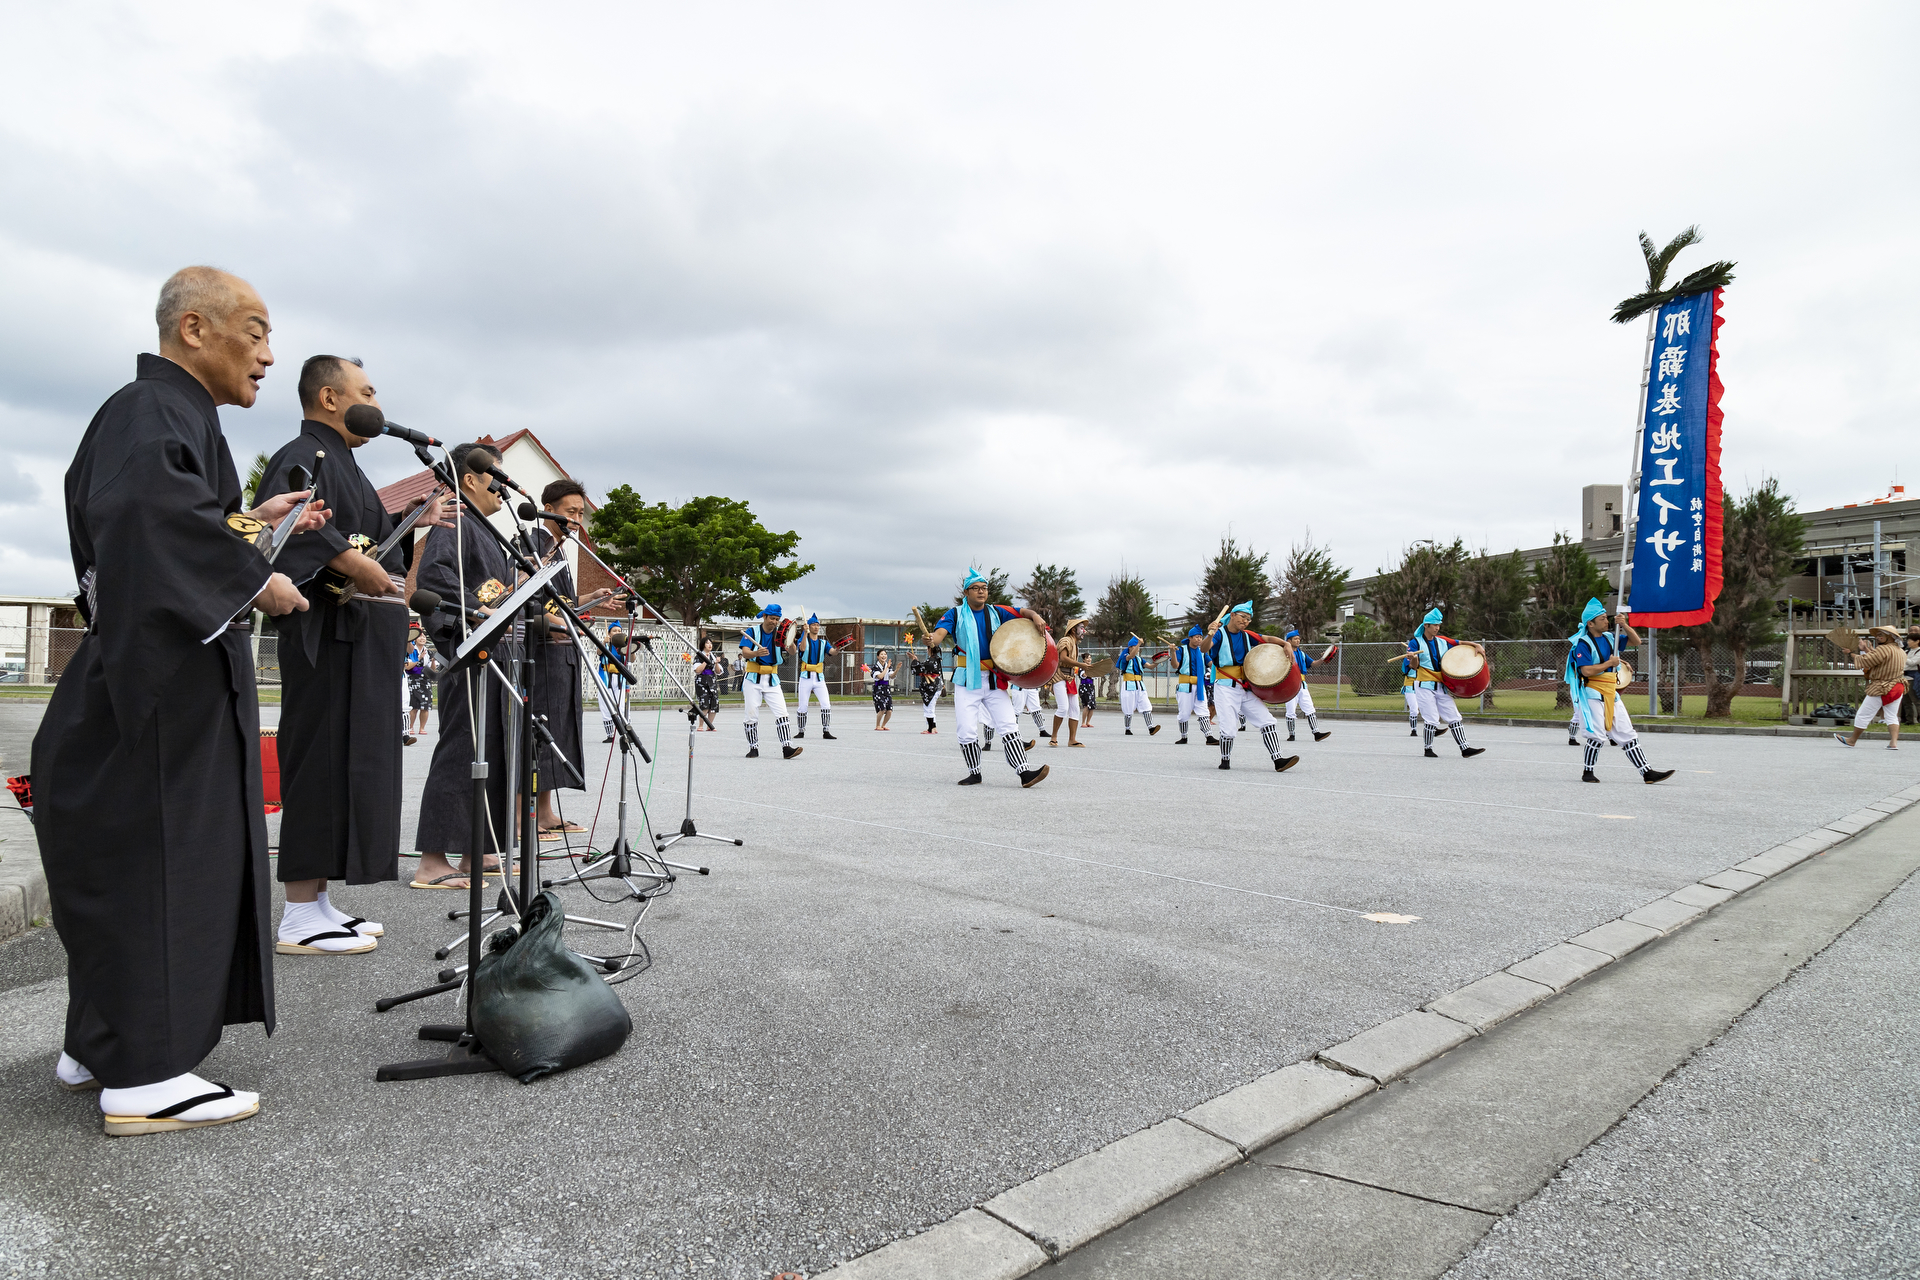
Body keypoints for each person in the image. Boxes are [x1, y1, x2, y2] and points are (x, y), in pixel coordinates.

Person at [35, 265, 328, 1133]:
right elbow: (144, 523)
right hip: (158, 694)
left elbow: (161, 524)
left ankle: (103, 1042)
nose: (269, 354)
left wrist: (247, 525)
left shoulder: (161, 415)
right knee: (166, 863)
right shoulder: (151, 409)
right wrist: (258, 576)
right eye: (257, 330)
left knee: (126, 867)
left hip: (144, 681)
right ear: (194, 329)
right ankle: (148, 1073)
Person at [260, 355, 454, 954]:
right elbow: (297, 528)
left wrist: (409, 520)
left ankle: (318, 901)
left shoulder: (348, 466)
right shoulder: (305, 455)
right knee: (318, 761)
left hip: (362, 638)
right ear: (328, 397)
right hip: (324, 633)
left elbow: (368, 537)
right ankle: (296, 911)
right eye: (366, 391)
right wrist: (350, 561)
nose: (376, 402)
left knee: (350, 765)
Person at [413, 442, 517, 890]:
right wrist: (479, 612)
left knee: (489, 751)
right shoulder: (455, 520)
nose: (502, 483)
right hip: (469, 650)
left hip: (496, 654)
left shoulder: (489, 531)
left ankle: (476, 850)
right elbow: (434, 580)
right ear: (471, 478)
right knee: (461, 750)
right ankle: (433, 860)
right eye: (496, 473)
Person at [527, 478, 615, 841]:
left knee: (558, 734)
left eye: (580, 512)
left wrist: (589, 597)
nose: (577, 519)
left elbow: (561, 605)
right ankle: (527, 813)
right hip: (540, 653)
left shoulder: (562, 551)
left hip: (564, 653)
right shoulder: (533, 544)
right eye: (569, 511)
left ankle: (546, 812)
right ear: (548, 509)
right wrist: (556, 623)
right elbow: (528, 601)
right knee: (539, 733)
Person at [922, 569, 1051, 787]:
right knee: (966, 729)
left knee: (1009, 724)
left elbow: (1023, 612)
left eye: (984, 588)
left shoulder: (997, 612)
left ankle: (1024, 773)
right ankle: (975, 773)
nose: (981, 592)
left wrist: (1036, 616)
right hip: (966, 680)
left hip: (993, 679)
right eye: (976, 588)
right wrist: (931, 640)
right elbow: (938, 635)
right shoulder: (954, 614)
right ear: (966, 592)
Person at [1567, 599, 1675, 782]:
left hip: (1611, 691)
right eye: (1601, 619)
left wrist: (1624, 625)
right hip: (1592, 692)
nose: (1606, 621)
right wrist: (1609, 663)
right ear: (1590, 623)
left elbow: (1637, 641)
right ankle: (1588, 772)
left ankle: (1647, 772)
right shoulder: (1582, 644)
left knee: (1627, 732)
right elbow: (1586, 670)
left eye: (1606, 618)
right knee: (1596, 735)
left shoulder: (1611, 637)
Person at [1203, 603, 1300, 772]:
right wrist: (1210, 635)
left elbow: (1268, 639)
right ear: (1232, 615)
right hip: (1225, 687)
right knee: (1229, 730)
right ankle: (1225, 760)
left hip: (1246, 687)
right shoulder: (1219, 635)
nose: (1246, 621)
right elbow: (1204, 648)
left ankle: (1278, 760)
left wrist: (1286, 644)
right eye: (1243, 617)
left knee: (1268, 721)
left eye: (1248, 619)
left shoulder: (1248, 635)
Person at [1405, 607, 1487, 760]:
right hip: (1424, 685)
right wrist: (1412, 657)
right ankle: (1428, 749)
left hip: (1440, 686)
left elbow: (1460, 643)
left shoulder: (1442, 641)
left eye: (1438, 625)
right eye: (1434, 625)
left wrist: (1476, 645)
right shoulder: (1415, 643)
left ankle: (1465, 748)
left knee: (1454, 716)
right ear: (1426, 626)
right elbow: (1414, 666)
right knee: (1431, 718)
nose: (1437, 628)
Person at [738, 603, 802, 759]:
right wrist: (756, 652)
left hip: (772, 678)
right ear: (765, 616)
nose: (774, 622)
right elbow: (745, 652)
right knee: (751, 714)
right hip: (753, 677)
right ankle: (753, 748)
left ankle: (787, 747)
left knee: (782, 713)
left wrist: (790, 640)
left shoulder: (780, 633)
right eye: (772, 618)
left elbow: (792, 652)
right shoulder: (752, 631)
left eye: (777, 619)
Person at [1835, 625, 1906, 750]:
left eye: (1881, 635)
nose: (1878, 637)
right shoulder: (1900, 650)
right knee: (1891, 715)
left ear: (1889, 636)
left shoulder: (1883, 649)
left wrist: (1851, 653)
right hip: (1897, 685)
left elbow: (1867, 661)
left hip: (1881, 686)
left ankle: (1852, 740)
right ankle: (1893, 743)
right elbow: (1878, 659)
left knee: (1863, 714)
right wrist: (1866, 649)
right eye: (1877, 635)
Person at [1281, 629, 1333, 743]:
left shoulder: (1302, 654)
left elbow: (1313, 664)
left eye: (1299, 639)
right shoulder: (1284, 653)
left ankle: (1316, 733)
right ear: (1288, 641)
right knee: (1290, 710)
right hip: (1289, 684)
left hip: (1302, 684)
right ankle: (1292, 734)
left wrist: (1323, 658)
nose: (1298, 640)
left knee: (1310, 708)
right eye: (1295, 639)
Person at [793, 614, 837, 740]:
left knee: (826, 704)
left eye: (818, 625)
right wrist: (805, 633)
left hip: (819, 677)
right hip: (805, 676)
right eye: (814, 625)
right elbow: (801, 649)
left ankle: (826, 730)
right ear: (809, 627)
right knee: (802, 705)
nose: (816, 627)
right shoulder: (804, 639)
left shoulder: (823, 642)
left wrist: (838, 648)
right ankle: (801, 731)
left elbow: (832, 652)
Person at [1171, 625, 1215, 745]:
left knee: (1203, 711)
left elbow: (1210, 663)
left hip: (1200, 686)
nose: (1199, 639)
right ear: (1190, 638)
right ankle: (1183, 736)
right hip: (1185, 686)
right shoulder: (1181, 650)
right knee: (1184, 713)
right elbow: (1175, 666)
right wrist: (1172, 652)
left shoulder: (1202, 651)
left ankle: (1209, 736)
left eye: (1201, 637)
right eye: (1196, 637)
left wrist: (1218, 665)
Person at [1051, 617, 1089, 747]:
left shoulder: (1074, 643)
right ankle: (1053, 737)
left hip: (1070, 678)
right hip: (1059, 676)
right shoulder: (1066, 640)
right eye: (1081, 628)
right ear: (1073, 630)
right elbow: (1063, 658)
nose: (1084, 631)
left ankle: (1072, 739)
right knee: (1063, 708)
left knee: (1075, 709)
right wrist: (1081, 664)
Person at [1113, 636, 1160, 736]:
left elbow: (1150, 666)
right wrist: (1139, 643)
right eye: (1134, 647)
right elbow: (1131, 656)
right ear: (1130, 648)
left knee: (1146, 706)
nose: (1137, 649)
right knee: (1128, 708)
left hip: (1140, 685)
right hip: (1129, 685)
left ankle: (1151, 728)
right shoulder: (1125, 656)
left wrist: (1159, 661)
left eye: (1137, 647)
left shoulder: (1139, 659)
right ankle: (1127, 728)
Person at [597, 623, 631, 743]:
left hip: (620, 679)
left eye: (619, 630)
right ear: (609, 633)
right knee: (606, 706)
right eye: (614, 631)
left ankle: (627, 733)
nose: (617, 632)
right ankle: (610, 735)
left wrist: (630, 648)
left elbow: (632, 659)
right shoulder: (605, 644)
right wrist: (604, 642)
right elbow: (599, 653)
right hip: (605, 678)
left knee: (622, 707)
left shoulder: (623, 646)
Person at [405, 624, 438, 742]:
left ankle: (422, 727)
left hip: (425, 679)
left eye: (424, 637)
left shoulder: (428, 652)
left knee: (425, 705)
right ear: (415, 638)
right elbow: (408, 667)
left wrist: (433, 661)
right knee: (413, 705)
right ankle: (410, 726)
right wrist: (419, 658)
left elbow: (432, 669)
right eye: (420, 637)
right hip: (413, 678)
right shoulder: (411, 650)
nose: (422, 639)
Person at [912, 646, 943, 734]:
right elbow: (922, 666)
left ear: (930, 649)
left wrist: (914, 661)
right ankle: (933, 727)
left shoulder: (931, 661)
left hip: (932, 687)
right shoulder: (936, 660)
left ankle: (931, 728)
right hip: (935, 686)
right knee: (930, 707)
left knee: (929, 707)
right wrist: (916, 660)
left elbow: (919, 668)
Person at [694, 637, 721, 727]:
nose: (710, 645)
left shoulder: (713, 655)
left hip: (712, 681)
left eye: (710, 643)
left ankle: (710, 725)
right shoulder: (699, 656)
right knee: (704, 703)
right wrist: (705, 661)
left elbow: (718, 671)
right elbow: (698, 670)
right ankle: (701, 725)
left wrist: (716, 663)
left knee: (714, 703)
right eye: (707, 643)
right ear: (703, 645)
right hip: (702, 681)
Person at [872, 648, 895, 729]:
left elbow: (892, 676)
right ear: (878, 656)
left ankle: (883, 725)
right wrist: (887, 668)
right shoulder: (875, 667)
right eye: (881, 654)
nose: (883, 656)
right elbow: (880, 676)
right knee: (882, 709)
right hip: (878, 689)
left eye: (885, 654)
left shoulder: (888, 666)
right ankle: (877, 725)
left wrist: (898, 669)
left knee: (889, 710)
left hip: (886, 688)